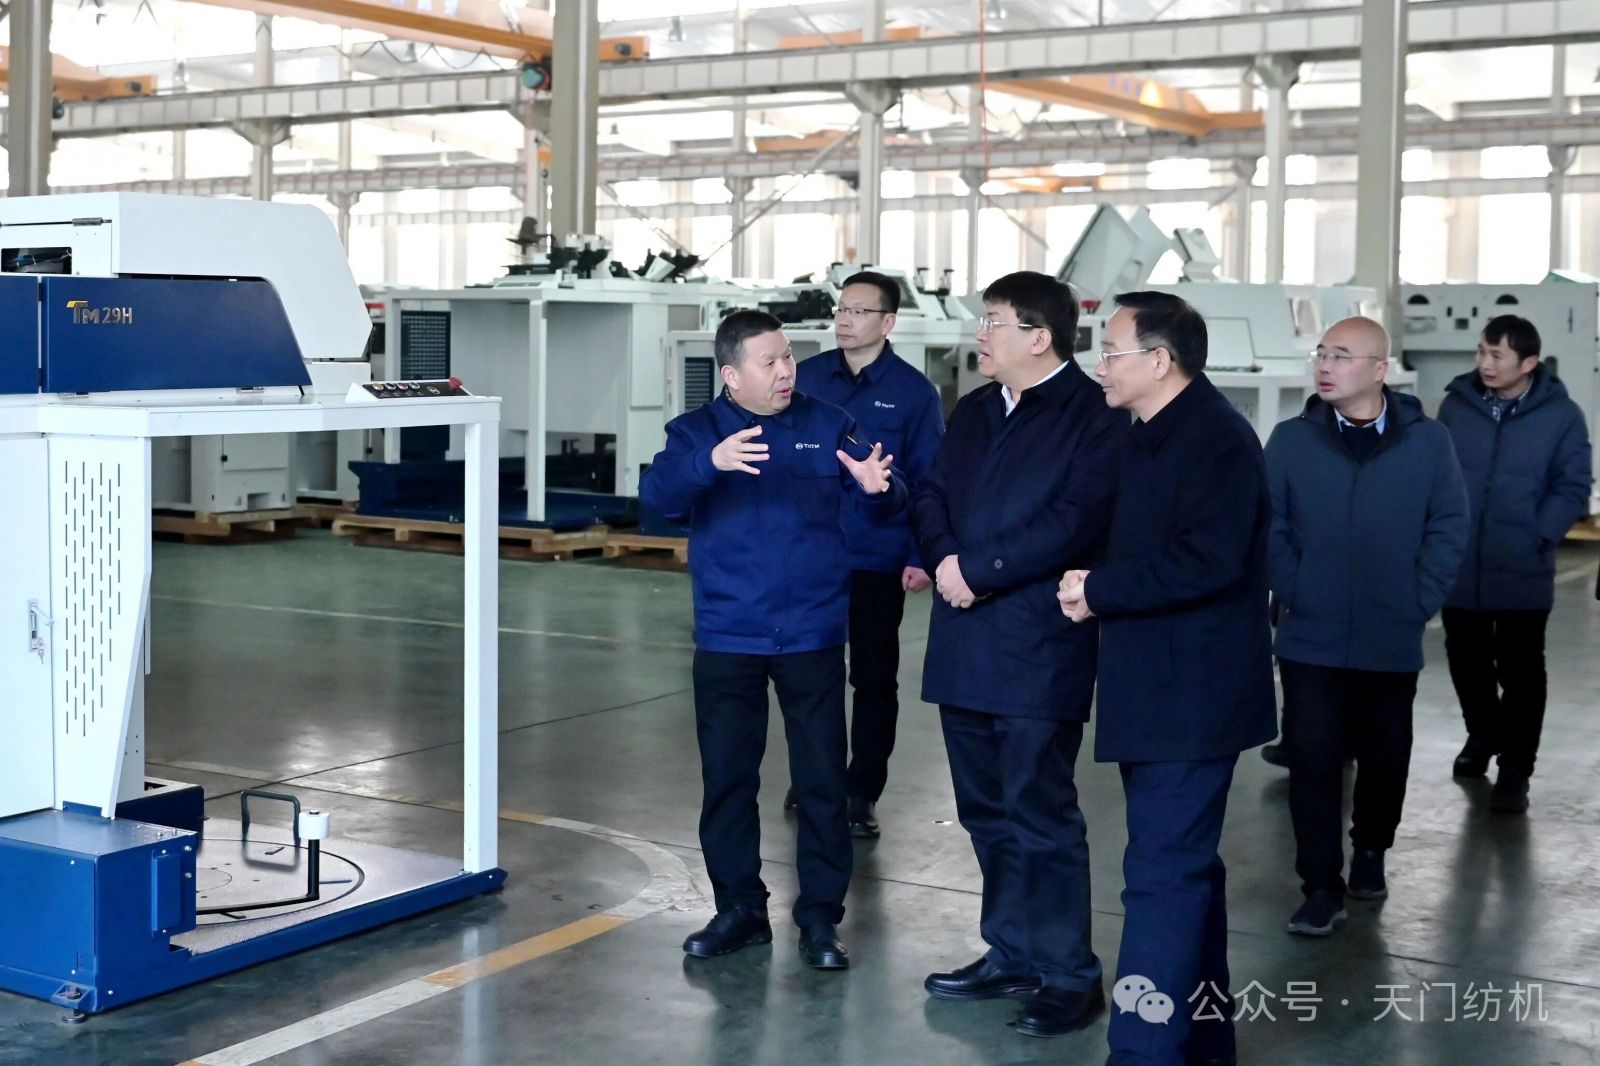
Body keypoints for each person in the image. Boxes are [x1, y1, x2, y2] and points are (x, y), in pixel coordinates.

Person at [639, 309, 905, 970]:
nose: (786, 371)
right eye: (769, 362)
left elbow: (883, 491)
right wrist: (709, 463)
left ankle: (819, 918)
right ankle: (739, 909)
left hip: (812, 632)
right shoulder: (695, 432)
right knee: (728, 778)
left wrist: (879, 490)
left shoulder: (828, 423)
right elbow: (658, 500)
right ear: (731, 375)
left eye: (787, 357)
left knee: (822, 781)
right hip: (729, 634)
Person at [1058, 290, 1275, 1066]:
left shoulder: (1216, 441)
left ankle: (1142, 1052)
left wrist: (1101, 590)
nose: (1100, 366)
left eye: (1111, 351)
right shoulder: (1144, 434)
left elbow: (1208, 561)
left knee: (1159, 877)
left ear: (1159, 360)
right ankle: (1204, 1044)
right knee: (1184, 873)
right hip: (1154, 690)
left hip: (1194, 697)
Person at [913, 271, 1126, 1039]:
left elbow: (1077, 521)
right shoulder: (975, 409)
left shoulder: (1092, 416)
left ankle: (1069, 974)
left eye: (994, 321)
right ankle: (1011, 951)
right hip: (963, 638)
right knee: (985, 812)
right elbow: (932, 494)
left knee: (1040, 812)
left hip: (1038, 643)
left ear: (1039, 337)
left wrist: (980, 570)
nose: (980, 334)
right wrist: (945, 560)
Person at [1262, 316, 1469, 939]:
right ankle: (1320, 886)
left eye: (1342, 356)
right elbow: (1268, 524)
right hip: (1311, 635)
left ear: (1380, 370)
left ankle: (1372, 849)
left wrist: (1416, 600)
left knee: (1386, 754)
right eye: (1322, 353)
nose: (1325, 365)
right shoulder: (1292, 441)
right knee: (1313, 759)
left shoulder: (1428, 443)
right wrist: (1296, 588)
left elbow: (1448, 525)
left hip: (1390, 632)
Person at [789, 270, 945, 838]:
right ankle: (817, 778)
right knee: (810, 675)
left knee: (874, 679)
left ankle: (861, 790)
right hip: (809, 555)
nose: (845, 321)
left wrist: (921, 554)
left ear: (888, 322)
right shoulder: (805, 379)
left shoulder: (913, 392)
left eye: (859, 311)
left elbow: (928, 479)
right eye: (841, 310)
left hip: (877, 557)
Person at [1437, 314, 1592, 813]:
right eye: (1481, 351)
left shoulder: (1561, 416)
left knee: (1521, 671)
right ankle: (1483, 734)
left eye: (1497, 355)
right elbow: (1436, 473)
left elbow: (1573, 484)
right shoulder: (1456, 406)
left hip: (1523, 564)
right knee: (1466, 664)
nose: (1485, 363)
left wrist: (1540, 534)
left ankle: (1515, 770)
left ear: (1528, 363)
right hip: (1461, 563)